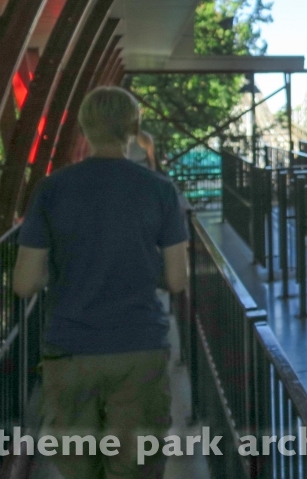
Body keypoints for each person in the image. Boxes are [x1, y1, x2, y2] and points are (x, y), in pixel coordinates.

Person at [13, 87, 188, 479]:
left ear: (84, 129)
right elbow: (177, 279)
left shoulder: (51, 190)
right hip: (139, 348)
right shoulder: (160, 190)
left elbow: (24, 283)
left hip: (70, 352)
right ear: (134, 129)